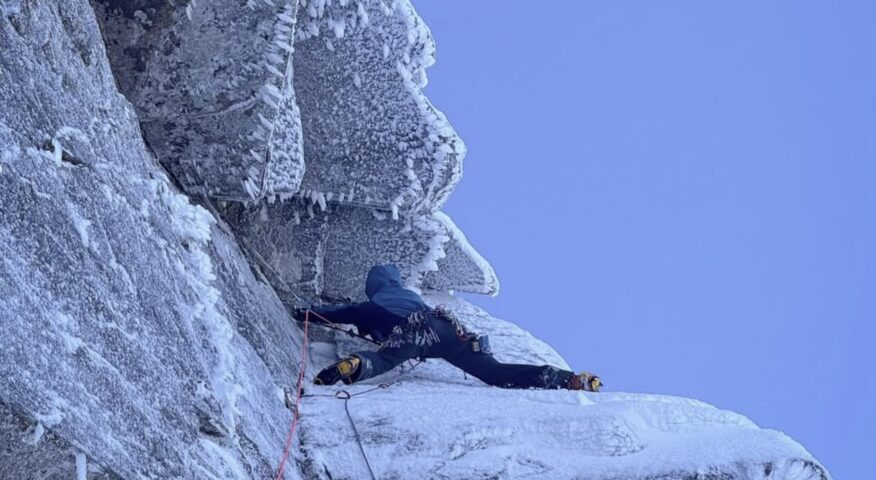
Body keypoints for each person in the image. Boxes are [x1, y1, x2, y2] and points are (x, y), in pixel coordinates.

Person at [296, 264, 601, 392]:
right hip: (448, 329)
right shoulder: (410, 295)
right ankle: (568, 380)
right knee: (496, 373)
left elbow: (334, 313)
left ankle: (356, 365)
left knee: (387, 359)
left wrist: (304, 313)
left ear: (373, 286)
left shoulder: (370, 306)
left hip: (415, 333)